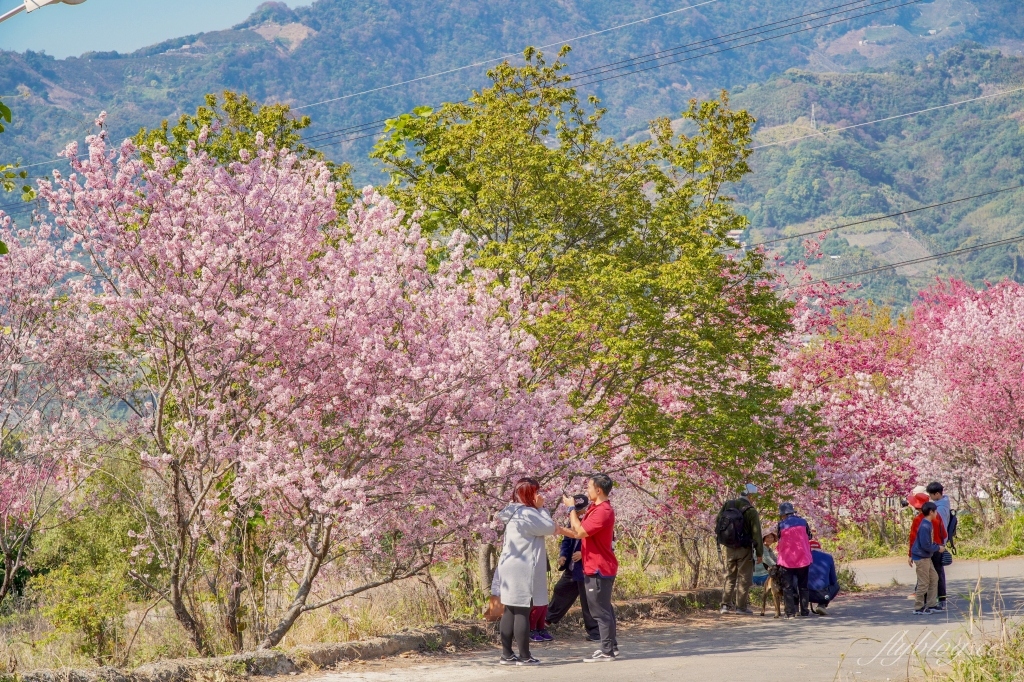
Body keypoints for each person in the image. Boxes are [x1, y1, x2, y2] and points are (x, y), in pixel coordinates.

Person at [494, 477, 556, 665]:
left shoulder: (513, 511)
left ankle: (507, 654)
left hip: (508, 565)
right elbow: (549, 527)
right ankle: (524, 656)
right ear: (529, 494)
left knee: (510, 610)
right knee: (522, 610)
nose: (539, 495)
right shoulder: (528, 513)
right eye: (536, 491)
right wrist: (541, 509)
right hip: (522, 567)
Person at [560, 473, 618, 663]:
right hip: (595, 566)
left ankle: (607, 651)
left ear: (598, 490)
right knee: (603, 609)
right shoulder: (595, 508)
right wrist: (559, 530)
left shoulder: (603, 511)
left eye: (589, 487)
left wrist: (571, 508)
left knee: (599, 611)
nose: (587, 490)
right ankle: (611, 647)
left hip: (599, 567)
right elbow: (579, 533)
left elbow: (580, 531)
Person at [544, 495, 600, 641]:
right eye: (576, 510)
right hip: (572, 567)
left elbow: (600, 543)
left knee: (588, 601)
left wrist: (584, 553)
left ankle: (596, 632)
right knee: (561, 590)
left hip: (587, 568)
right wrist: (563, 555)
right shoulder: (572, 519)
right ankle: (548, 618)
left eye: (580, 510)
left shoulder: (593, 520)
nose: (578, 513)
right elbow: (567, 540)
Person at [716, 483, 764, 615]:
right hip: (744, 548)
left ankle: (725, 605)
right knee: (744, 577)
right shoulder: (751, 511)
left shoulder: (728, 504)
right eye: (754, 496)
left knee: (730, 576)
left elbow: (718, 521)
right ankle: (740, 607)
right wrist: (759, 553)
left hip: (729, 547)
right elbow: (757, 534)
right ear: (750, 495)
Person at [776, 501, 813, 618]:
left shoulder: (781, 524)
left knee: (788, 587)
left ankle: (790, 613)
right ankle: (805, 611)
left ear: (783, 514)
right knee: (803, 586)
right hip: (803, 558)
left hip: (787, 559)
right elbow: (810, 536)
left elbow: (779, 537)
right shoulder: (803, 522)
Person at [909, 501, 944, 614]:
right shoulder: (925, 526)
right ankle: (918, 607)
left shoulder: (927, 523)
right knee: (923, 582)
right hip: (921, 557)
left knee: (934, 578)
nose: (936, 513)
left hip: (926, 557)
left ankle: (931, 604)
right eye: (935, 511)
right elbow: (925, 545)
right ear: (931, 512)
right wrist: (938, 548)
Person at [926, 482, 951, 610]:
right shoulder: (944, 504)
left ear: (937, 494)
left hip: (937, 542)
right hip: (939, 542)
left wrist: (939, 543)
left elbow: (939, 527)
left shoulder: (939, 509)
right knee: (936, 571)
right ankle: (938, 599)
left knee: (937, 571)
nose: (930, 497)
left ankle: (941, 600)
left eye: (931, 494)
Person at [807, 539, 840, 616]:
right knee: (836, 585)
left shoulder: (803, 557)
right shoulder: (828, 557)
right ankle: (822, 604)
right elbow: (833, 579)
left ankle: (797, 608)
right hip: (823, 594)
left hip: (804, 594)